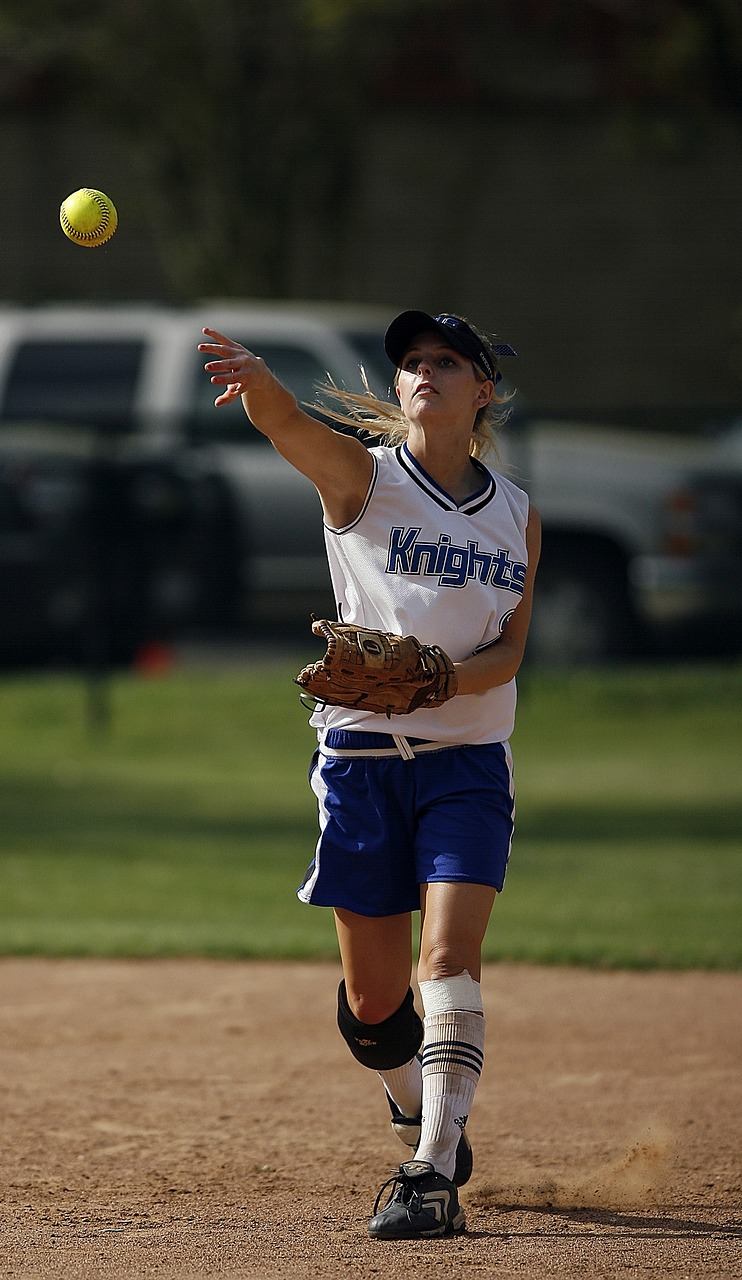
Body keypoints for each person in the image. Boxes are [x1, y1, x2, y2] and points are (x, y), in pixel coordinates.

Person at [199, 310, 541, 1240]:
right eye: (413, 363)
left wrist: (437, 682)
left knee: (448, 962)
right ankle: (410, 1099)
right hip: (360, 763)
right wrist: (261, 385)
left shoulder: (516, 514)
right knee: (376, 1005)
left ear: (484, 392)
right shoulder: (367, 480)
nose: (425, 371)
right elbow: (291, 431)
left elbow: (509, 652)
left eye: (448, 361)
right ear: (398, 391)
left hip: (469, 759)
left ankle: (430, 1170)